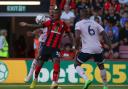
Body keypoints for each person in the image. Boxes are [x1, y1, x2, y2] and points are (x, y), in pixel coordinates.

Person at [20, 8, 74, 89]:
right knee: (39, 64)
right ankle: (34, 80)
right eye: (54, 13)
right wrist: (27, 24)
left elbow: (69, 33)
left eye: (56, 13)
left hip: (55, 48)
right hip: (46, 46)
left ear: (59, 15)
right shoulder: (50, 22)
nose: (54, 15)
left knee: (56, 62)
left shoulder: (64, 24)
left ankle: (54, 83)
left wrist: (73, 44)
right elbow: (39, 26)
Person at [74, 8, 111, 89]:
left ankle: (87, 80)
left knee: (76, 64)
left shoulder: (78, 24)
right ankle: (105, 86)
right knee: (101, 66)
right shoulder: (95, 23)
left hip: (87, 48)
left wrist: (76, 47)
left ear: (80, 15)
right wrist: (110, 46)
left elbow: (77, 37)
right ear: (88, 15)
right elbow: (105, 34)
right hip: (97, 48)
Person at [20, 15, 49, 82]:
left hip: (51, 42)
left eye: (40, 22)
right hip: (43, 42)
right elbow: (39, 29)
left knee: (56, 60)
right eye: (39, 23)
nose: (40, 24)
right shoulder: (44, 23)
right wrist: (33, 33)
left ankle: (55, 82)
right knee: (37, 59)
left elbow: (39, 27)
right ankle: (29, 76)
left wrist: (27, 24)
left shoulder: (48, 20)